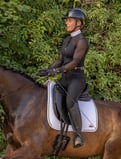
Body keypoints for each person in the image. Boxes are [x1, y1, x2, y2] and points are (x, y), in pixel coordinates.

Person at [38, 8, 89, 148]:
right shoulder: (67, 39)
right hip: (65, 77)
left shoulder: (82, 41)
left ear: (78, 23)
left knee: (70, 102)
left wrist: (58, 70)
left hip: (76, 78)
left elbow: (74, 62)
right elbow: (60, 59)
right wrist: (48, 70)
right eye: (67, 20)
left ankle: (79, 135)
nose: (66, 22)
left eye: (69, 20)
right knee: (50, 96)